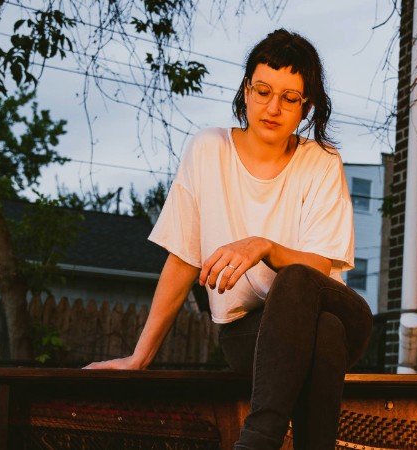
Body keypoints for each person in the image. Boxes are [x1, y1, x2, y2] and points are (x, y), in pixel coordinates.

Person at [84, 29, 373, 450]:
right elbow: (183, 257)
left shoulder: (321, 163)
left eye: (290, 98)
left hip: (341, 314)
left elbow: (318, 269)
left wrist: (264, 246)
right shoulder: (208, 150)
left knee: (300, 287)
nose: (272, 107)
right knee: (323, 333)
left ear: (305, 106)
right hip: (250, 333)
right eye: (263, 90)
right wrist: (140, 357)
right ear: (246, 89)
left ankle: (255, 442)